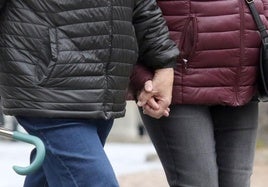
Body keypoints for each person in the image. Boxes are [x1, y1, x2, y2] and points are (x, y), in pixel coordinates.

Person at [0, 0, 179, 187]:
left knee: (52, 175)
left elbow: (143, 6)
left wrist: (164, 65)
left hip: (103, 90)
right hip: (48, 91)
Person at [130, 0, 267, 186]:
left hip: (242, 81)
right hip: (176, 83)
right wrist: (141, 77)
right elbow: (123, 10)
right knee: (198, 182)